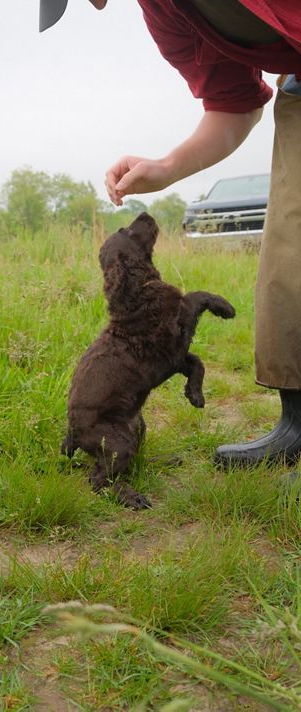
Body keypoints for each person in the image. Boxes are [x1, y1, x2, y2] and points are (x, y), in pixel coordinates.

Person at [39, 0, 301, 469]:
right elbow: (234, 102)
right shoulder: (167, 14)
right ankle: (298, 425)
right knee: (289, 260)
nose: (94, 4)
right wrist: (165, 168)